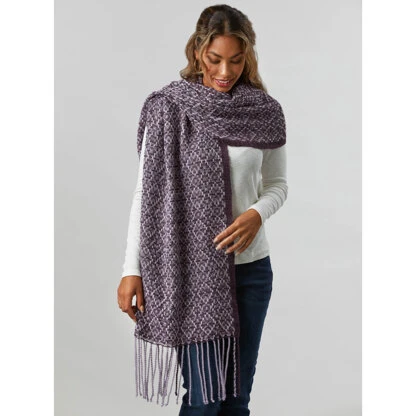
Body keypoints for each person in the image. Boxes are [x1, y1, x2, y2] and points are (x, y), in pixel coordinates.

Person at [117, 4, 288, 415]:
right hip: (191, 274)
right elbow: (146, 194)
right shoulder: (168, 109)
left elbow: (277, 185)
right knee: (203, 400)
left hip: (251, 273)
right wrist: (130, 269)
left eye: (236, 60)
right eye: (215, 59)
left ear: (248, 57)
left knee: (236, 401)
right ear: (197, 52)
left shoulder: (263, 112)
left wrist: (256, 214)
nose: (225, 71)